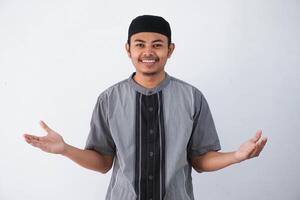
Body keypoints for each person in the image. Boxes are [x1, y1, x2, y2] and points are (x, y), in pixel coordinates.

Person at [23, 15, 268, 200]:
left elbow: (201, 160)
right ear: (128, 49)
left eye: (157, 44)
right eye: (140, 44)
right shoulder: (109, 99)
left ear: (170, 50)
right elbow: (102, 163)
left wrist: (237, 156)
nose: (148, 51)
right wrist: (65, 149)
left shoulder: (192, 97)